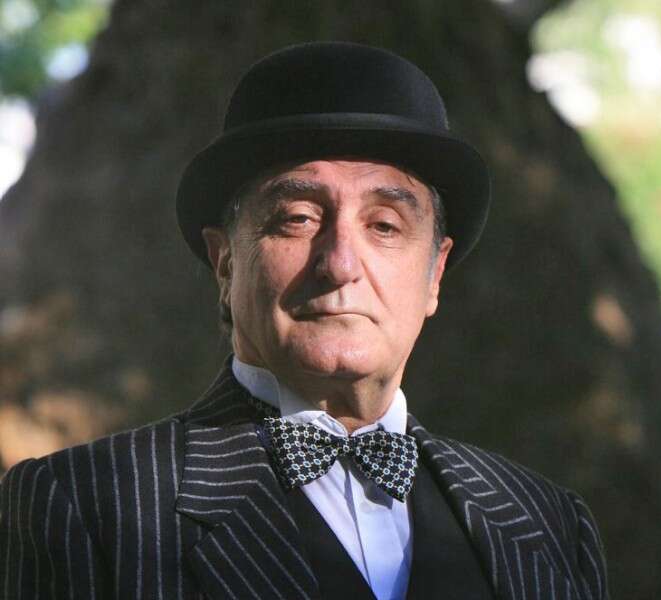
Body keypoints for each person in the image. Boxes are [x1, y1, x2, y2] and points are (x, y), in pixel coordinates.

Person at [0, 42, 608, 600]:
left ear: (435, 275)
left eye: (385, 226)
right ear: (226, 262)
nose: (340, 263)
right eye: (297, 218)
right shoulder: (82, 505)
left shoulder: (549, 523)